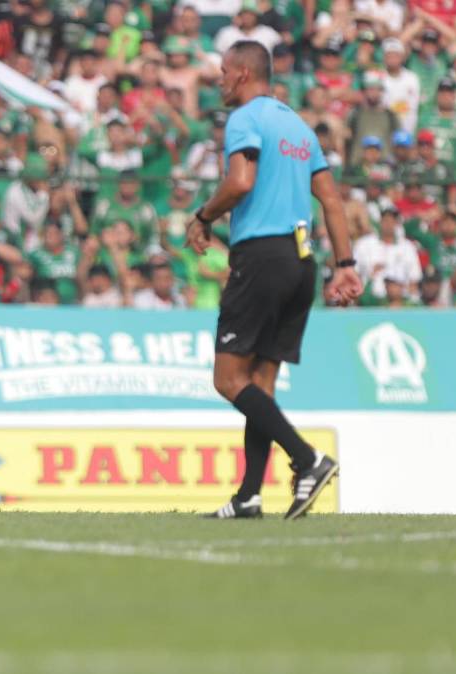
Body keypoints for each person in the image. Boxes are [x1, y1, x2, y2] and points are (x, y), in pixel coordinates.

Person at [184, 41, 363, 520]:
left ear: (242, 74)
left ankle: (307, 459)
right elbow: (330, 200)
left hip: (260, 258)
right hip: (301, 263)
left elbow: (241, 181)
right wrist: (346, 264)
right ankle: (249, 496)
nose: (218, 80)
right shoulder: (300, 127)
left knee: (227, 380)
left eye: (223, 71)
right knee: (259, 387)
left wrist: (203, 216)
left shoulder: (245, 118)